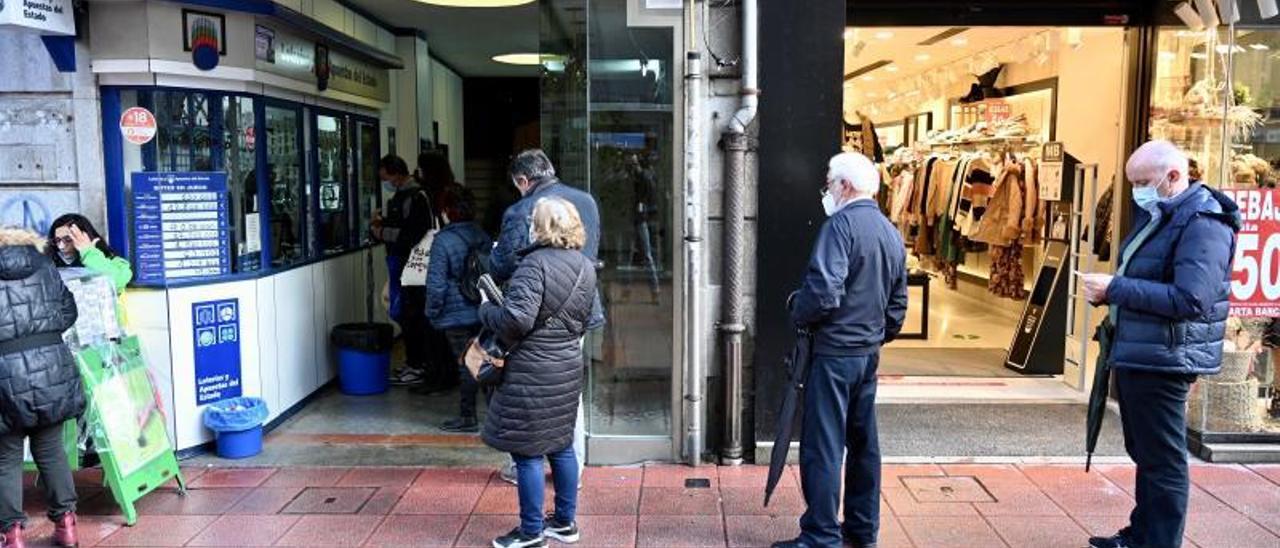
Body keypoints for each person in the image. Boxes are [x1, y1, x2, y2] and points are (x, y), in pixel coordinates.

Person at [1080, 140, 1240, 548]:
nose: (1137, 191)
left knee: (1163, 460)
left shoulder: (1203, 221)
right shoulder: (1165, 213)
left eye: (1143, 182)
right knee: (1147, 454)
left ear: (1174, 176)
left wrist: (1117, 288)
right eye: (1133, 183)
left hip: (1167, 358)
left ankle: (1158, 541)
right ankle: (1142, 535)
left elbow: (1192, 299)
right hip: (1145, 353)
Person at [774, 152, 908, 548]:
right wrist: (875, 336)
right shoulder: (889, 231)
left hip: (833, 352)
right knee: (864, 444)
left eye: (830, 182)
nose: (827, 189)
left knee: (824, 445)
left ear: (845, 185)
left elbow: (823, 291)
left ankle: (820, 534)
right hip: (867, 353)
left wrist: (799, 312)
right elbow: (898, 305)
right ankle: (863, 530)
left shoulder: (841, 227)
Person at [479, 198, 596, 548]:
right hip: (566, 366)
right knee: (561, 446)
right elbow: (586, 320)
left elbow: (516, 320)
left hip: (531, 370)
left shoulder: (534, 265)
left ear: (540, 228)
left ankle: (530, 533)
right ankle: (564, 522)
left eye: (534, 220)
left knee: (527, 452)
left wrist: (486, 310)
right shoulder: (585, 265)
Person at [490, 149, 602, 484]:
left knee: (529, 392)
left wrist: (495, 253)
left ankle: (526, 465)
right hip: (579, 306)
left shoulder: (521, 210)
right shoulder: (587, 201)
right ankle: (574, 466)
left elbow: (502, 266)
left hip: (533, 314)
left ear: (523, 181)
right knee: (569, 389)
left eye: (518, 185)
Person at [0, 228, 83, 548]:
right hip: (50, 370)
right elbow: (68, 312)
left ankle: (11, 534)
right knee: (50, 450)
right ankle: (66, 524)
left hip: (4, 374)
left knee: (6, 457)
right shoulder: (44, 265)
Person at [426, 186, 493, 433]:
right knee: (485, 360)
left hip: (455, 314)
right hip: (482, 309)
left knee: (466, 363)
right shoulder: (481, 235)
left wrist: (432, 312)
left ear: (446, 211)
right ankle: (494, 414)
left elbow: (436, 284)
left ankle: (468, 417)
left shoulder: (443, 240)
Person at [372, 155, 436, 387]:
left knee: (410, 313)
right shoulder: (400, 196)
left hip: (411, 264)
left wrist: (381, 233)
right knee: (401, 310)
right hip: (398, 261)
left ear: (395, 173)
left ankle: (417, 364)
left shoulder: (416, 196)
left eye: (385, 177)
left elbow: (412, 234)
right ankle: (414, 362)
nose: (384, 181)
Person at [46, 214, 132, 292]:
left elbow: (117, 280)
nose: (61, 246)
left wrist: (88, 252)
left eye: (68, 239)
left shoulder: (116, 263)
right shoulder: (51, 268)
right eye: (57, 240)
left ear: (86, 236)